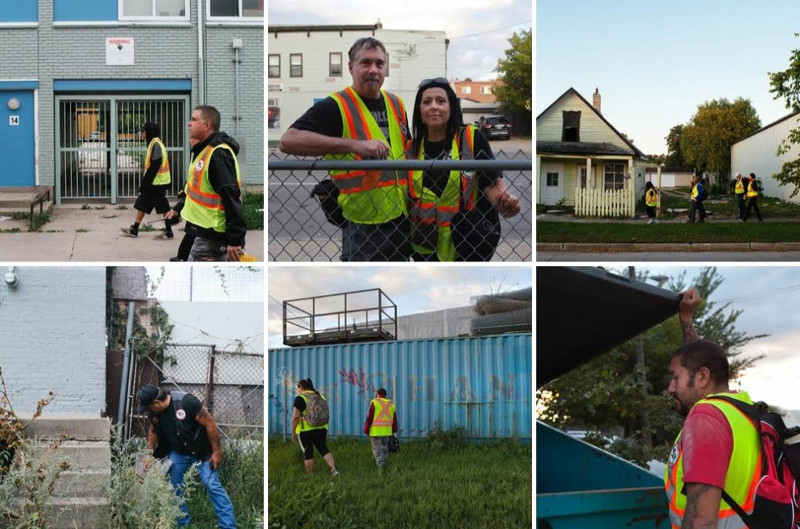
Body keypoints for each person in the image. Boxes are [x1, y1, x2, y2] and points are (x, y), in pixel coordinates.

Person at [279, 37, 411, 262]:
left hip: (402, 217)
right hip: (363, 224)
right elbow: (288, 141)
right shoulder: (337, 105)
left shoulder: (396, 103)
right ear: (351, 68)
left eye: (379, 64)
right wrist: (354, 145)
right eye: (365, 63)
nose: (373, 70)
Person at [664, 289, 761, 528]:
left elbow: (701, 520)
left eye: (675, 378)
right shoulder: (742, 410)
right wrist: (686, 320)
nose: (670, 387)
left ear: (703, 377)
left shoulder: (706, 417)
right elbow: (695, 361)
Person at [407, 79, 519, 261]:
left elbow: (491, 184)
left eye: (440, 101)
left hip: (465, 244)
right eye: (427, 102)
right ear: (419, 111)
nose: (433, 106)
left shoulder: (471, 138)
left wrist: (504, 203)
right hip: (424, 245)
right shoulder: (411, 149)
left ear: (451, 108)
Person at [137, 385, 236, 529]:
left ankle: (228, 526)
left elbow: (210, 424)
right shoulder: (155, 414)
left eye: (148, 408)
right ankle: (182, 524)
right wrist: (148, 454)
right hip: (179, 454)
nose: (148, 412)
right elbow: (153, 431)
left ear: (156, 403)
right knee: (173, 488)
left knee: (213, 486)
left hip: (203, 454)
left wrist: (216, 452)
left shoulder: (186, 402)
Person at [165, 105, 246, 261]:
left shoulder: (217, 154)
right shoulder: (203, 151)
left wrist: (235, 239)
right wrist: (178, 209)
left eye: (194, 119)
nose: (189, 123)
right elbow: (194, 189)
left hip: (212, 235)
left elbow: (230, 196)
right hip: (199, 228)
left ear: (207, 125)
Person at [121, 122, 173, 238]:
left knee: (161, 206)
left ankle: (168, 230)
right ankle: (135, 229)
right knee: (143, 204)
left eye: (143, 131)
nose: (142, 134)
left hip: (157, 182)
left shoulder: (156, 144)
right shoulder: (153, 144)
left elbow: (155, 165)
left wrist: (146, 183)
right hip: (155, 182)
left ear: (149, 131)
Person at [292, 378, 339, 477]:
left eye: (298, 388)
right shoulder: (320, 396)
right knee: (324, 449)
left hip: (305, 431)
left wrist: (293, 432)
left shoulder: (300, 398)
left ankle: (311, 476)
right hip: (321, 428)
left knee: (308, 452)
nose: (298, 390)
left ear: (301, 387)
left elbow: (296, 416)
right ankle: (334, 470)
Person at [363, 388, 398, 469]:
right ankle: (384, 464)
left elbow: (369, 418)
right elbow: (394, 419)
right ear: (385, 395)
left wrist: (366, 430)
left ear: (377, 394)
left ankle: (380, 467)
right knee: (385, 448)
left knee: (376, 449)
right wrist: (394, 430)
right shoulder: (391, 404)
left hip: (375, 432)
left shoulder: (374, 402)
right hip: (386, 432)